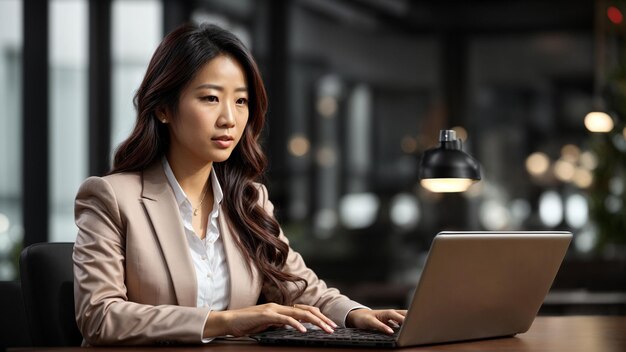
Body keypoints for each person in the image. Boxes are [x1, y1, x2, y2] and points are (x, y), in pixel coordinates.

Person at [73, 23, 406, 346]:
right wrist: (226, 321)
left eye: (241, 101)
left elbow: (300, 288)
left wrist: (357, 315)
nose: (229, 119)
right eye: (210, 99)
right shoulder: (112, 198)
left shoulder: (248, 200)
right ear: (163, 109)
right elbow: (100, 316)